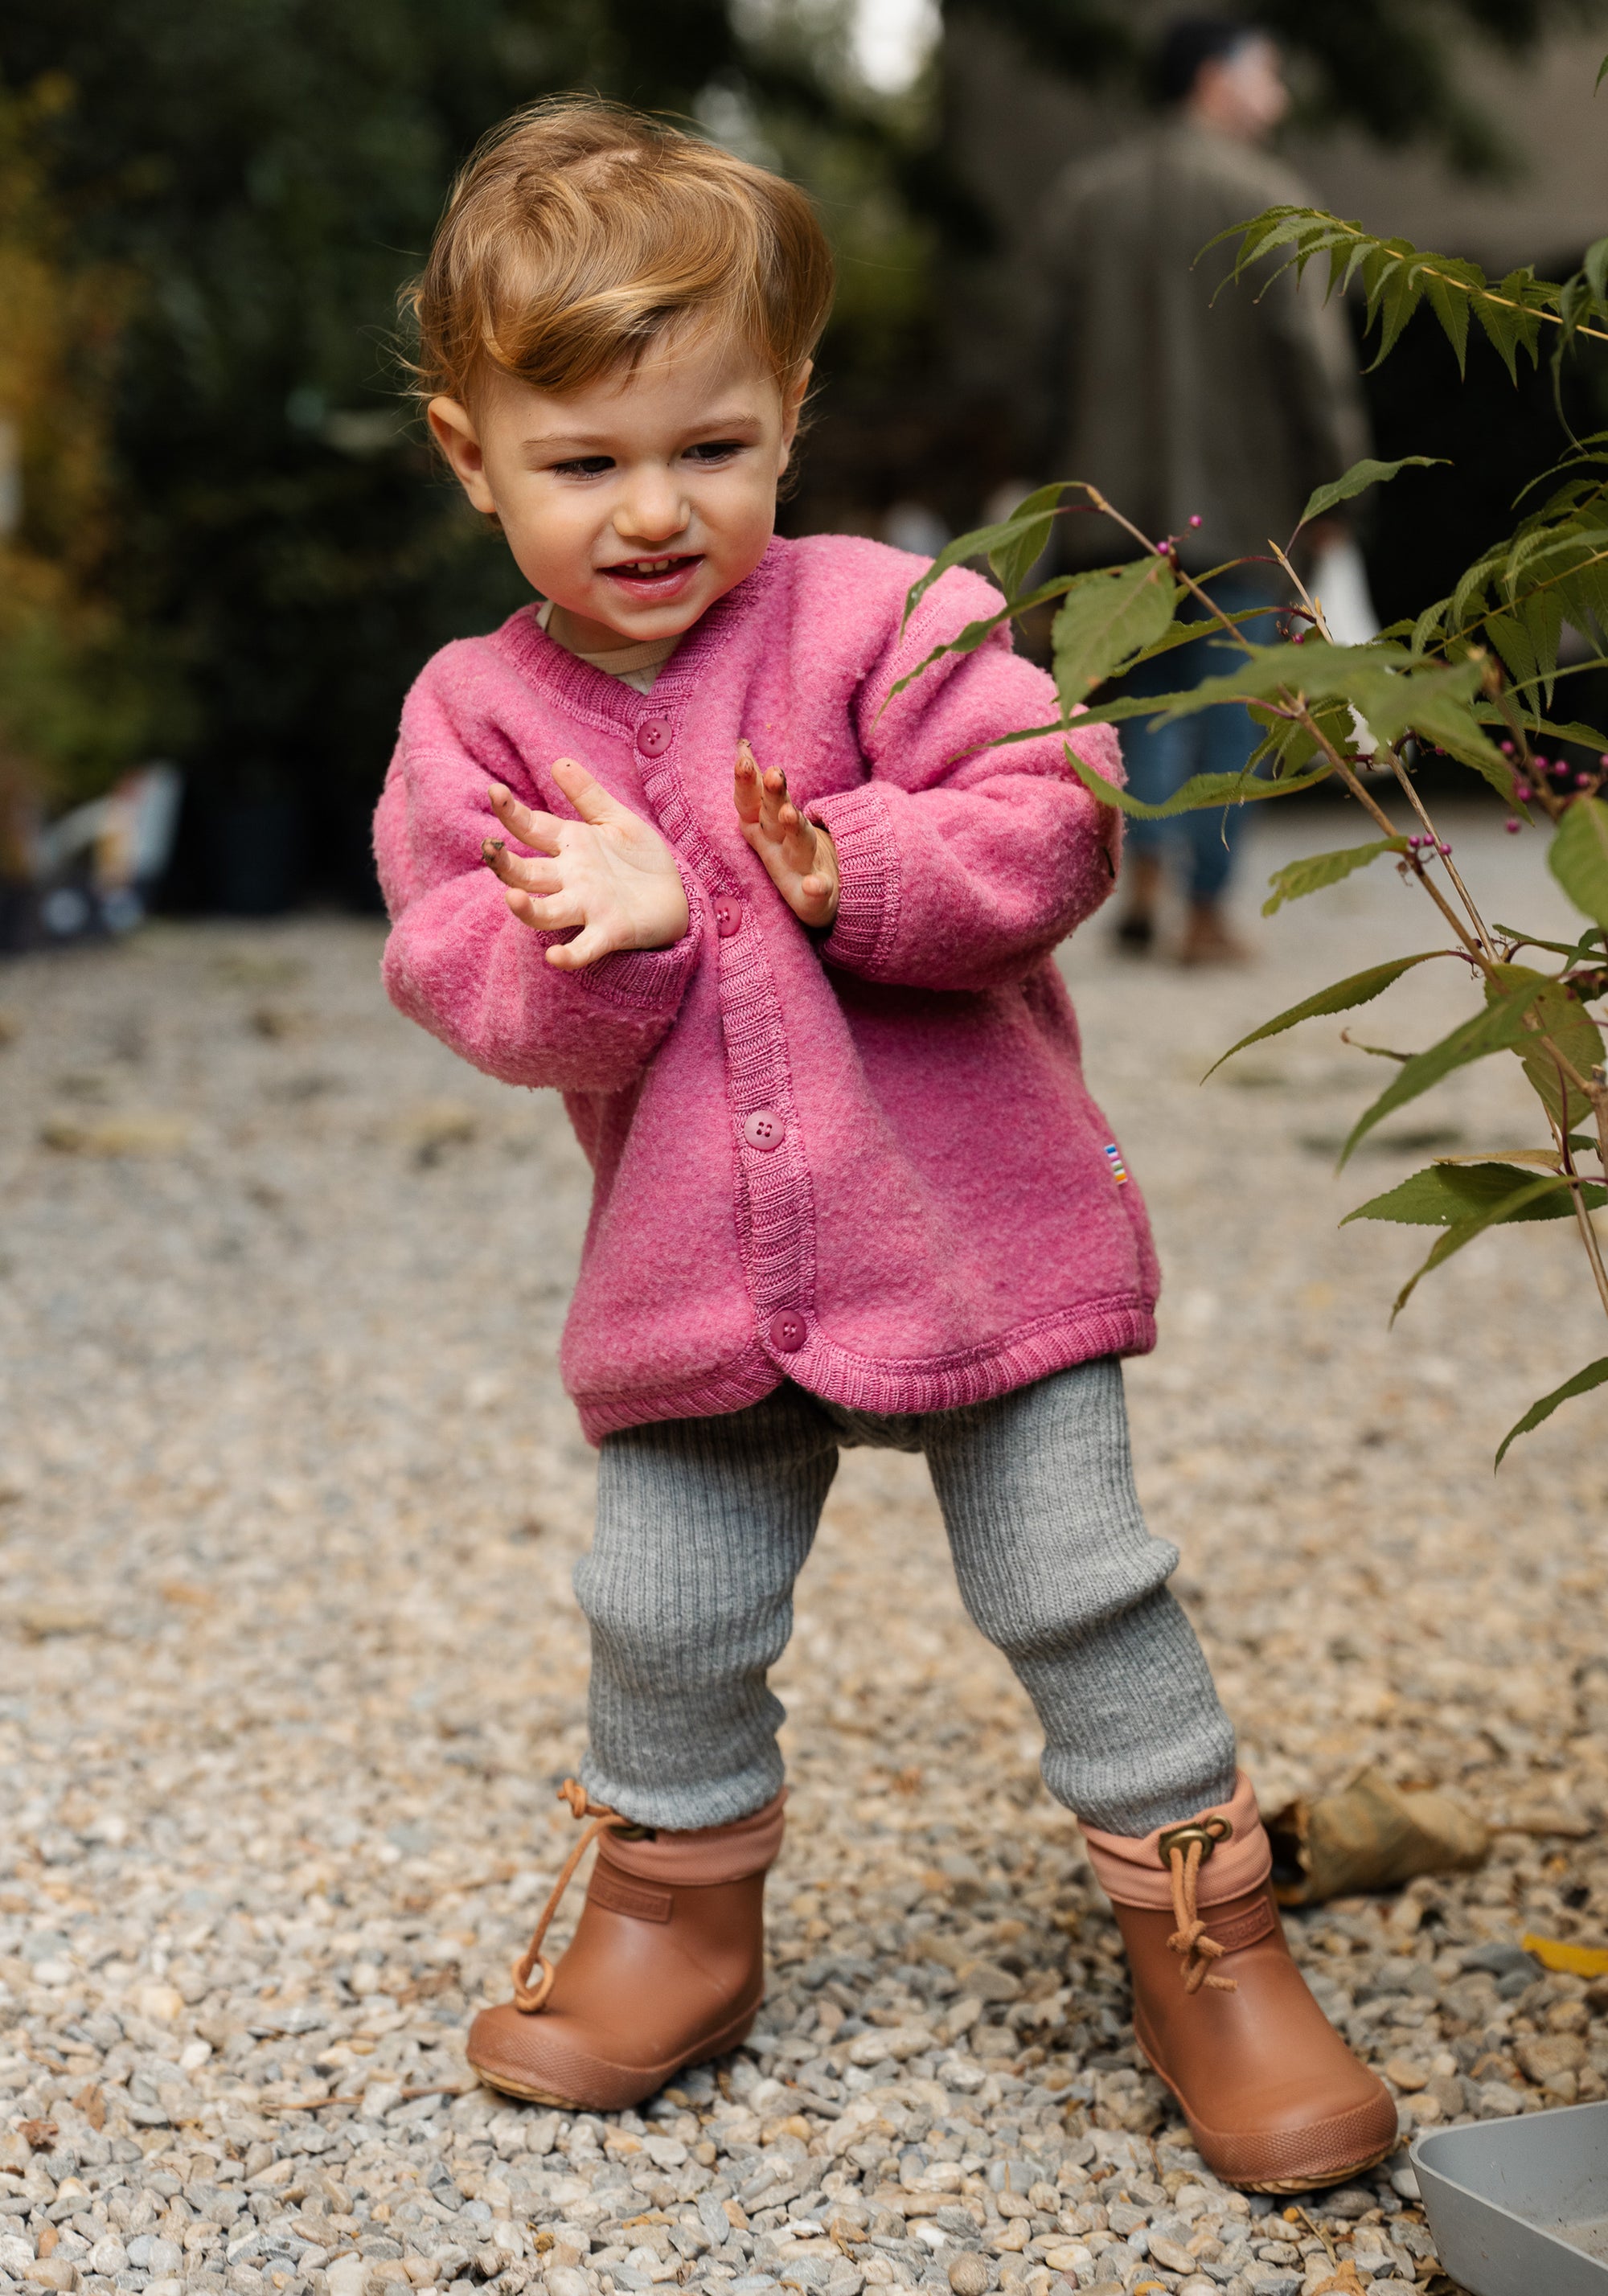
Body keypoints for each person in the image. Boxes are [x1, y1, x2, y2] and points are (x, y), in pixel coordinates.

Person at [375, 97, 1397, 2187]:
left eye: (712, 448)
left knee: (1080, 1583)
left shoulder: (888, 616)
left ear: (792, 411)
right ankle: (675, 1909)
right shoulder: (475, 719)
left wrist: (819, 868)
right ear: (473, 458)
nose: (654, 510)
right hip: (691, 1272)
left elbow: (1050, 815)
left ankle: (1209, 1937)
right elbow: (463, 965)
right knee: (660, 1605)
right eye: (584, 465)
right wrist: (606, 946)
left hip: (974, 1236)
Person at [1042, 16, 1370, 963]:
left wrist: (1038, 471)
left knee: (1136, 694)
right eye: (1268, 70)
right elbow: (1312, 364)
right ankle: (1205, 912)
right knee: (1230, 704)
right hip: (1239, 508)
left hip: (1105, 507)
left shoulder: (1084, 199)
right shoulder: (1267, 199)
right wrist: (1338, 486)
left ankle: (1140, 874)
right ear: (1215, 81)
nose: (1281, 93)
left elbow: (1040, 360)